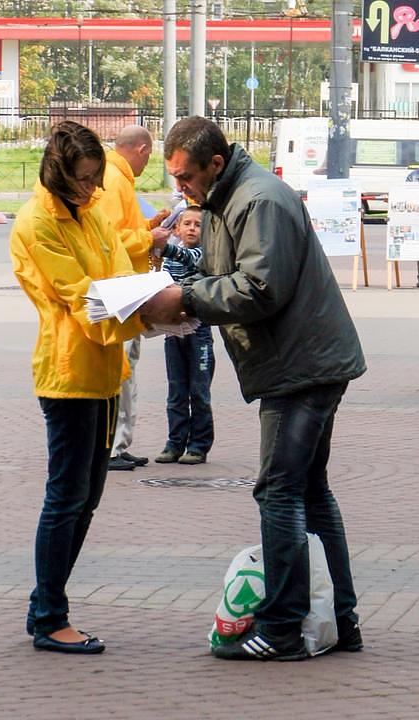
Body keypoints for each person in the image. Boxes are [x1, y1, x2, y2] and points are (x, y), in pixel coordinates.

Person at [141, 116, 366, 662]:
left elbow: (261, 287)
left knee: (280, 492)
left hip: (302, 368)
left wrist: (187, 301)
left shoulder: (257, 199)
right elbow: (232, 275)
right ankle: (340, 620)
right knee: (309, 492)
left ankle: (284, 628)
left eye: (186, 176)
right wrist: (178, 284)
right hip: (304, 362)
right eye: (174, 177)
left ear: (215, 164)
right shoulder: (229, 197)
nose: (180, 188)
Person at [10, 121, 145, 655]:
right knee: (66, 497)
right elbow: (82, 296)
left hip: (105, 372)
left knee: (86, 497)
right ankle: (49, 616)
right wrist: (144, 308)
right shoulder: (37, 222)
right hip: (68, 375)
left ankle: (46, 600)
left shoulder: (87, 212)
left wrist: (142, 293)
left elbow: (117, 272)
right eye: (85, 180)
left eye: (96, 180)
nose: (93, 190)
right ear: (58, 173)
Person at [97, 125, 170, 471]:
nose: (148, 163)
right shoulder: (114, 179)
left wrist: (146, 226)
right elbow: (109, 239)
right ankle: (112, 446)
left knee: (127, 368)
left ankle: (119, 443)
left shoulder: (117, 177)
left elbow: (120, 228)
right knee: (122, 369)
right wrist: (147, 237)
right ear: (141, 149)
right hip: (119, 292)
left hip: (125, 290)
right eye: (149, 155)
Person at [154, 205, 215, 465]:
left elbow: (189, 258)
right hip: (173, 333)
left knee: (199, 391)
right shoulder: (169, 260)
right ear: (177, 228)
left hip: (198, 333)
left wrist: (161, 246)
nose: (192, 228)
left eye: (198, 225)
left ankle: (199, 445)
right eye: (187, 224)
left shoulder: (206, 254)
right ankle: (174, 443)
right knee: (176, 390)